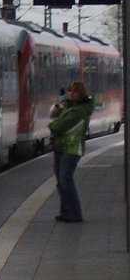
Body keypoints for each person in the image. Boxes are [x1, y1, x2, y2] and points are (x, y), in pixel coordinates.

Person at [48, 81, 94, 223]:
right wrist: (61, 106)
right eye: (70, 91)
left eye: (74, 91)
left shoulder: (79, 111)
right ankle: (66, 211)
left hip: (72, 148)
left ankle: (74, 213)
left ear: (81, 93)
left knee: (65, 179)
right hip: (62, 146)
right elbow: (53, 115)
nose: (71, 94)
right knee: (61, 181)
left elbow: (59, 126)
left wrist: (52, 125)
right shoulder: (70, 107)